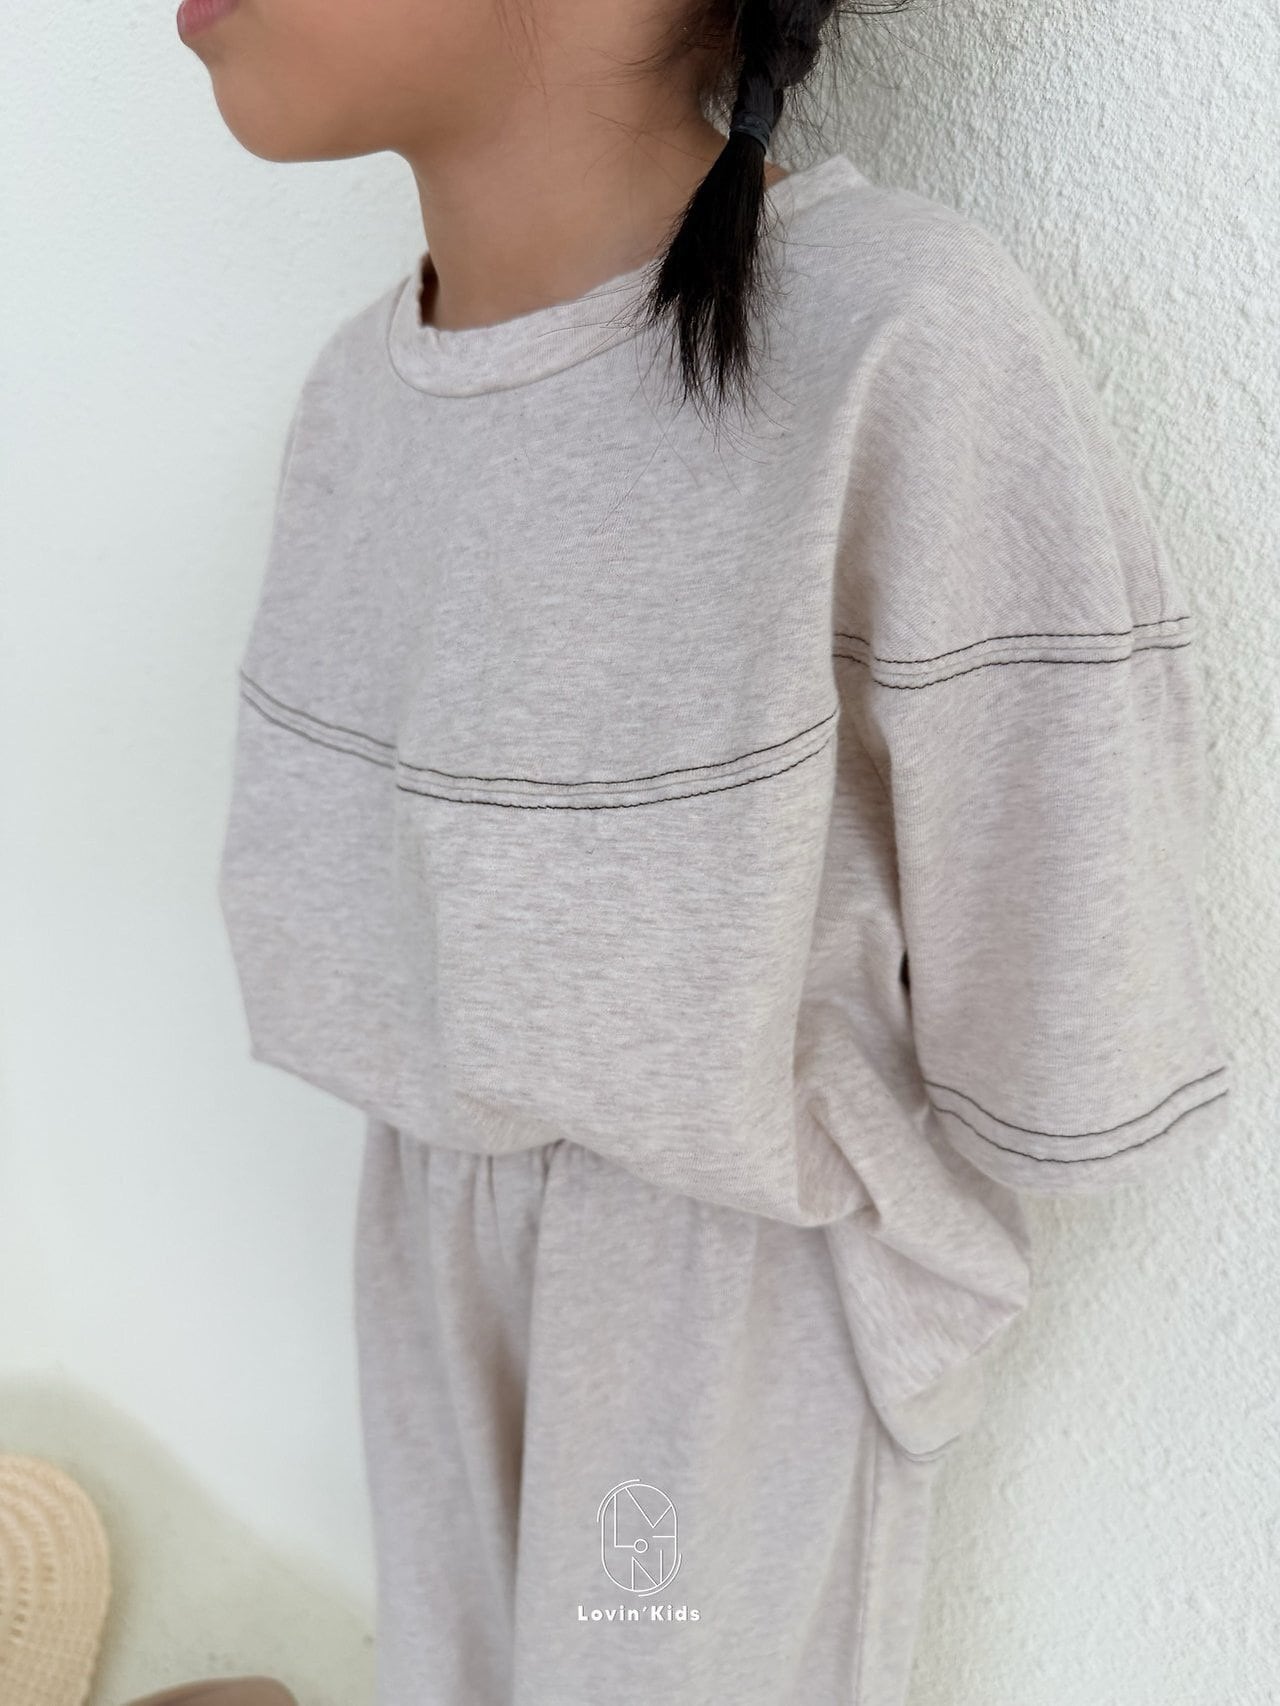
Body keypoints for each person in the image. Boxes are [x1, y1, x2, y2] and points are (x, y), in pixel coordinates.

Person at [184, 0, 1233, 1699]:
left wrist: (906, 1279)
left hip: (720, 1315)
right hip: (422, 1238)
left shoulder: (893, 335)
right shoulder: (356, 395)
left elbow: (1067, 968)